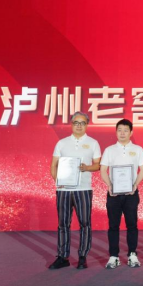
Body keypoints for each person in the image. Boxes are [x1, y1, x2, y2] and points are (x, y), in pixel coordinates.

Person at [49, 111, 101, 270]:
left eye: (82, 123)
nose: (79, 126)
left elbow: (98, 165)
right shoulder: (62, 143)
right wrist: (58, 182)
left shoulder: (93, 143)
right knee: (63, 223)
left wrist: (87, 168)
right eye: (76, 123)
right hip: (63, 190)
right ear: (71, 124)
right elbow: (53, 165)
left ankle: (82, 256)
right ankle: (63, 256)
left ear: (87, 125)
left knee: (85, 223)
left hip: (83, 189)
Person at [100, 118, 143, 269]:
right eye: (119, 130)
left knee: (132, 225)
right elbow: (103, 170)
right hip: (113, 194)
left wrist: (135, 185)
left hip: (131, 193)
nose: (122, 133)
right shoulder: (109, 150)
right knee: (113, 225)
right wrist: (109, 185)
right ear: (116, 132)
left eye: (125, 130)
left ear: (131, 132)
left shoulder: (138, 149)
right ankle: (113, 256)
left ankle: (132, 254)